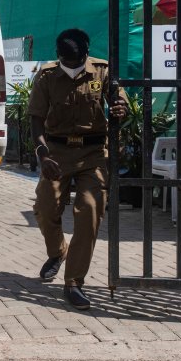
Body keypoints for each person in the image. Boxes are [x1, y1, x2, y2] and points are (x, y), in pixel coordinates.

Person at [27, 28, 128, 311]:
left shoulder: (102, 71)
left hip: (93, 153)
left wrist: (121, 108)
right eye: (67, 63)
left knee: (89, 211)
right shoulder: (47, 76)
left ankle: (74, 282)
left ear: (86, 54)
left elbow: (121, 102)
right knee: (46, 208)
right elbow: (36, 118)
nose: (73, 68)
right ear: (59, 57)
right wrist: (43, 154)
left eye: (78, 62)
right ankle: (57, 253)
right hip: (56, 152)